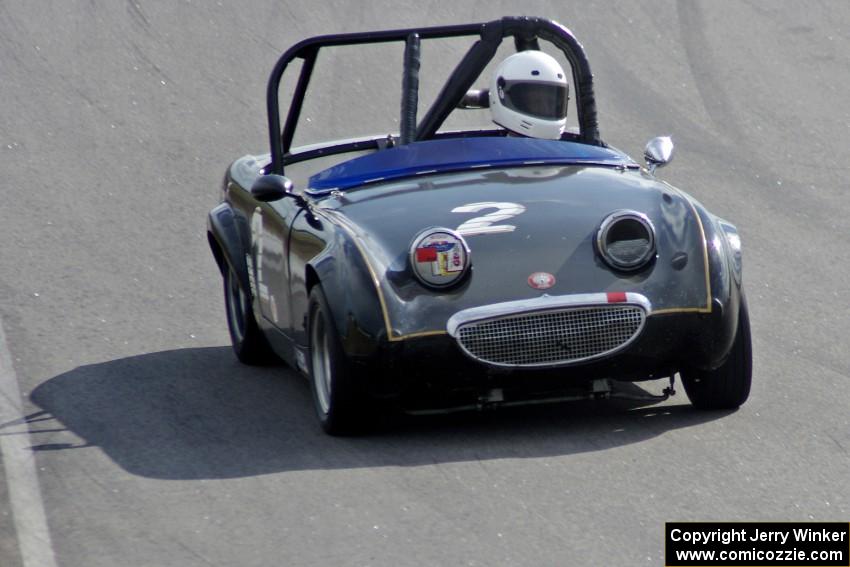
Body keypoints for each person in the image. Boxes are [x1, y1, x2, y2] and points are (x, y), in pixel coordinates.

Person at [489, 50, 569, 140]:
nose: (545, 107)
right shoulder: (488, 151)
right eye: (536, 102)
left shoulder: (574, 151)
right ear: (502, 94)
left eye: (551, 102)